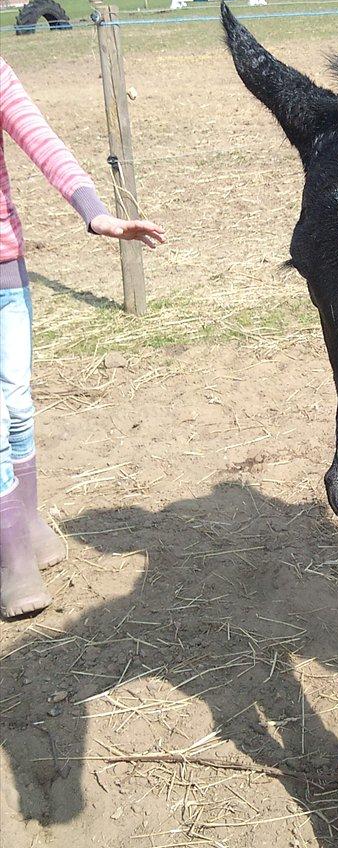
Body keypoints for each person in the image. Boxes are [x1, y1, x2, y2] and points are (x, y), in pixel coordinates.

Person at [0, 56, 165, 619]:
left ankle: (27, 521)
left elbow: (42, 142)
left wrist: (95, 214)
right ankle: (13, 559)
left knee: (17, 401)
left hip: (5, 271)